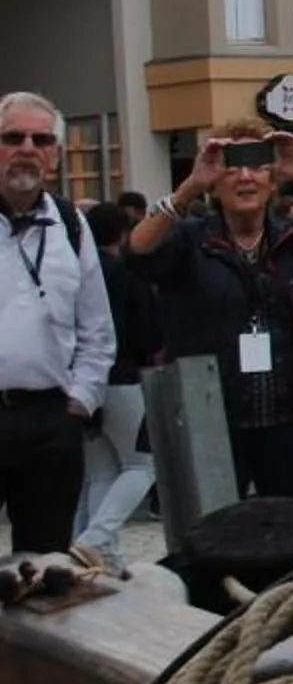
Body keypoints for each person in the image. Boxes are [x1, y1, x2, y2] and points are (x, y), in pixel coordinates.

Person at [129, 119, 293, 500]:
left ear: (273, 181)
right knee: (212, 538)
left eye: (257, 165)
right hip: (210, 417)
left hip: (292, 418)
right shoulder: (190, 240)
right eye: (231, 166)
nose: (245, 177)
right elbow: (139, 250)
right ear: (215, 183)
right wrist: (189, 185)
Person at [0, 93, 113, 557]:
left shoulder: (70, 224)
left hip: (52, 419)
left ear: (56, 154)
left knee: (45, 564)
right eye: (13, 137)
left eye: (41, 139)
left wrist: (82, 399)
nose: (28, 147)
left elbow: (97, 327)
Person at [74, 199, 158, 568]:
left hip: (83, 381)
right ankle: (97, 538)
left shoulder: (78, 272)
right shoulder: (127, 274)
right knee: (142, 465)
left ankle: (98, 552)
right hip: (124, 378)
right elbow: (148, 332)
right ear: (123, 234)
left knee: (101, 471)